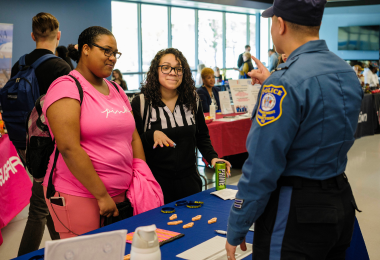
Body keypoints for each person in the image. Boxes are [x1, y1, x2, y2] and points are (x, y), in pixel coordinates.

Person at [225, 0, 363, 259]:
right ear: (318, 23)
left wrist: (238, 222)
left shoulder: (285, 81)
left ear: (280, 24)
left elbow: (262, 166)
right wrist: (275, 81)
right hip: (340, 203)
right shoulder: (345, 72)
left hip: (297, 213)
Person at [42, 26, 146, 239]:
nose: (112, 58)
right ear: (86, 49)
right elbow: (69, 147)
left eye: (115, 53)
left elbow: (133, 136)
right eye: (106, 51)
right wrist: (101, 196)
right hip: (82, 196)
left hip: (123, 195)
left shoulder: (116, 89)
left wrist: (140, 177)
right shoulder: (66, 87)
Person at [131, 48, 231, 204]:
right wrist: (151, 135)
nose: (173, 72)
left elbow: (201, 135)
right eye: (166, 67)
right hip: (155, 184)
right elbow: (133, 144)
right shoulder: (141, 103)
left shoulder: (192, 99)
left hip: (190, 182)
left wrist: (213, 158)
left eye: (178, 68)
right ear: (155, 71)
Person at [12, 12, 71, 256]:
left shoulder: (20, 63)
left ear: (33, 35)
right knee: (39, 207)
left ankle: (61, 248)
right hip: (48, 146)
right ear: (58, 35)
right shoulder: (59, 67)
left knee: (46, 201)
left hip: (23, 142)